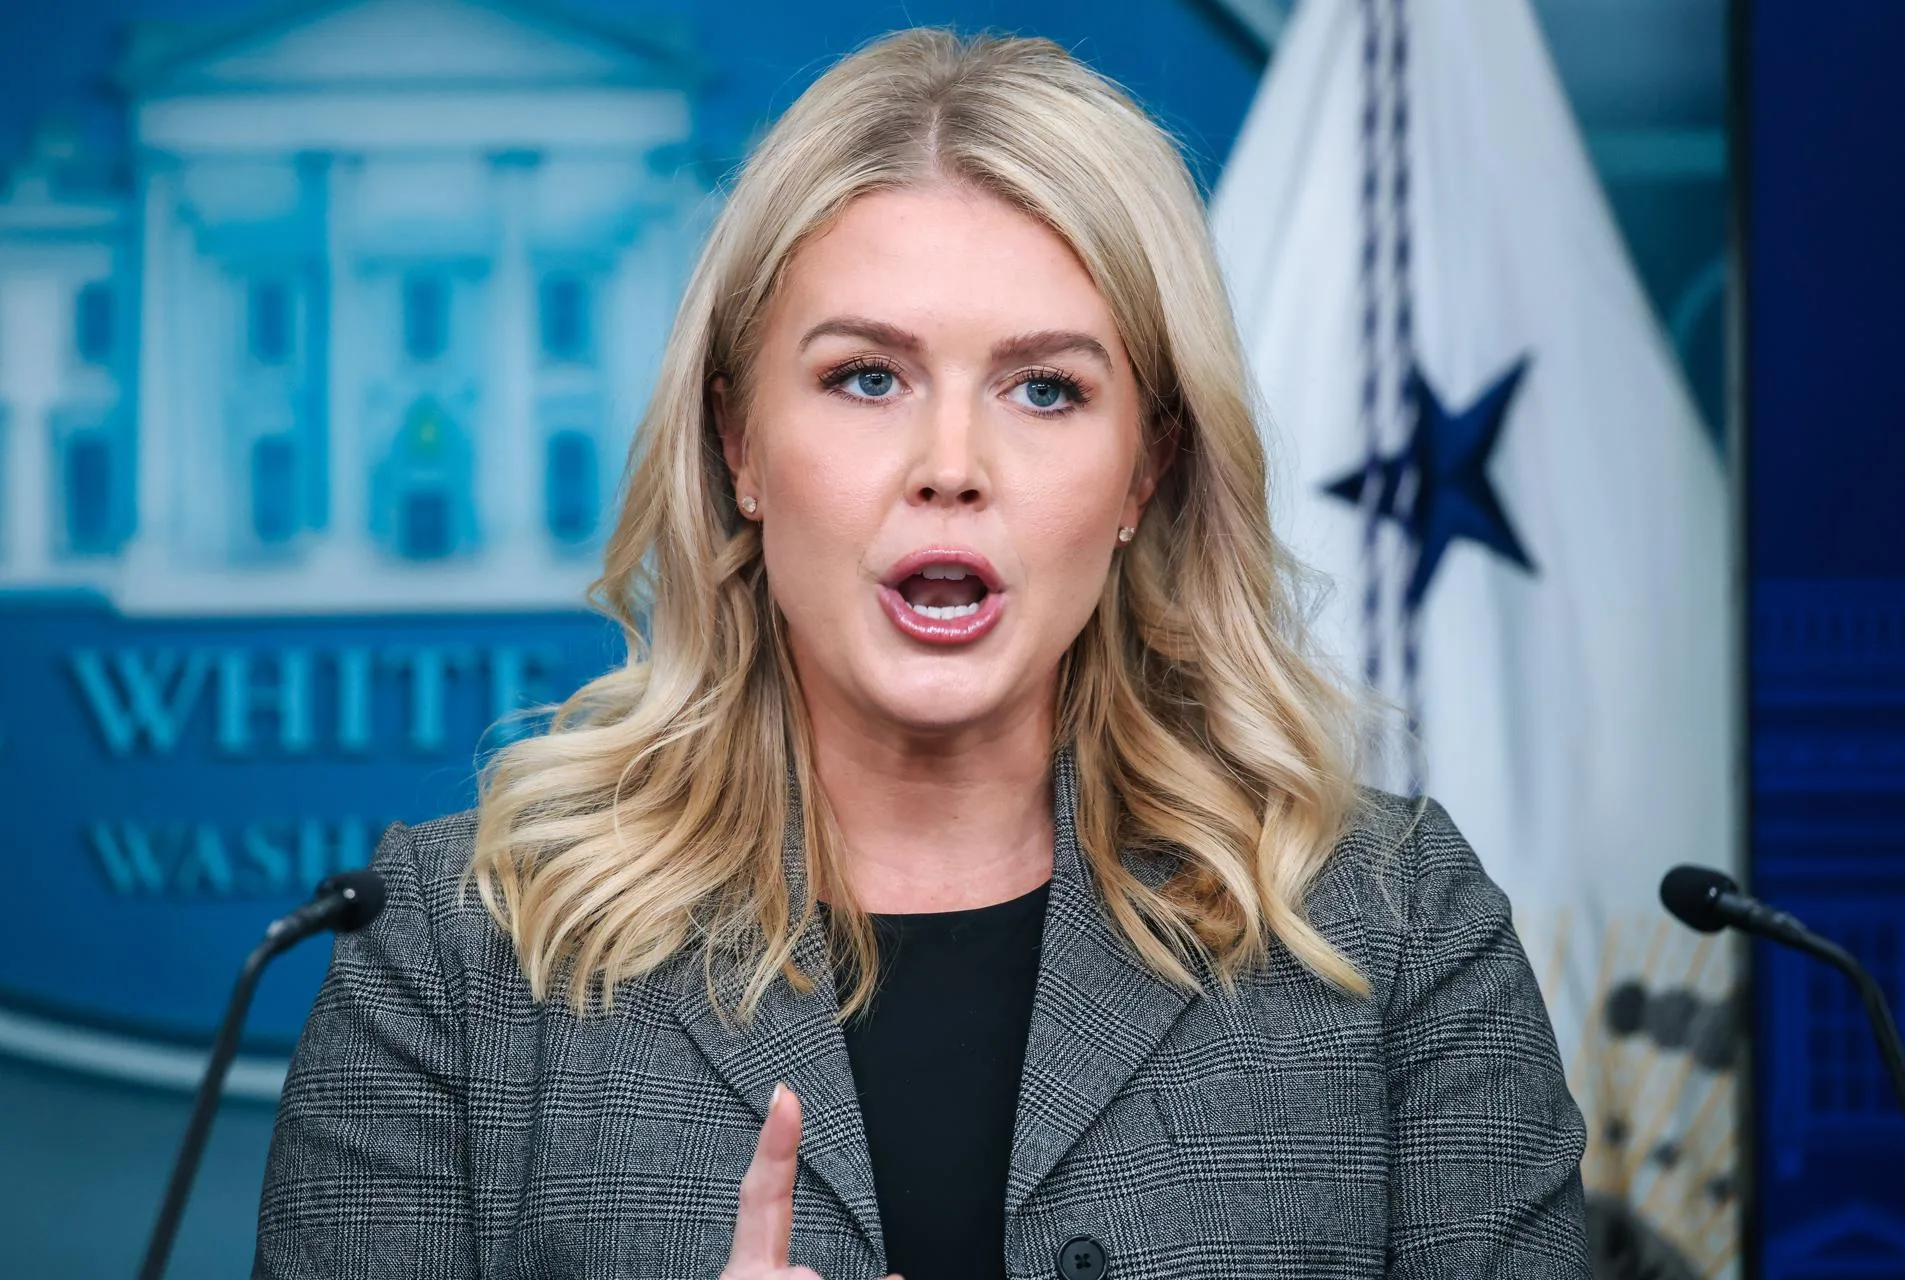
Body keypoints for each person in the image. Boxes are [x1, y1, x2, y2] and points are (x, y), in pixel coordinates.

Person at [253, 28, 1589, 1280]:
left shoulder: (1395, 928)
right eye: (868, 379)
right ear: (738, 446)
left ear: (1146, 471)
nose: (952, 469)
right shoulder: (458, 948)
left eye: (1047, 389)